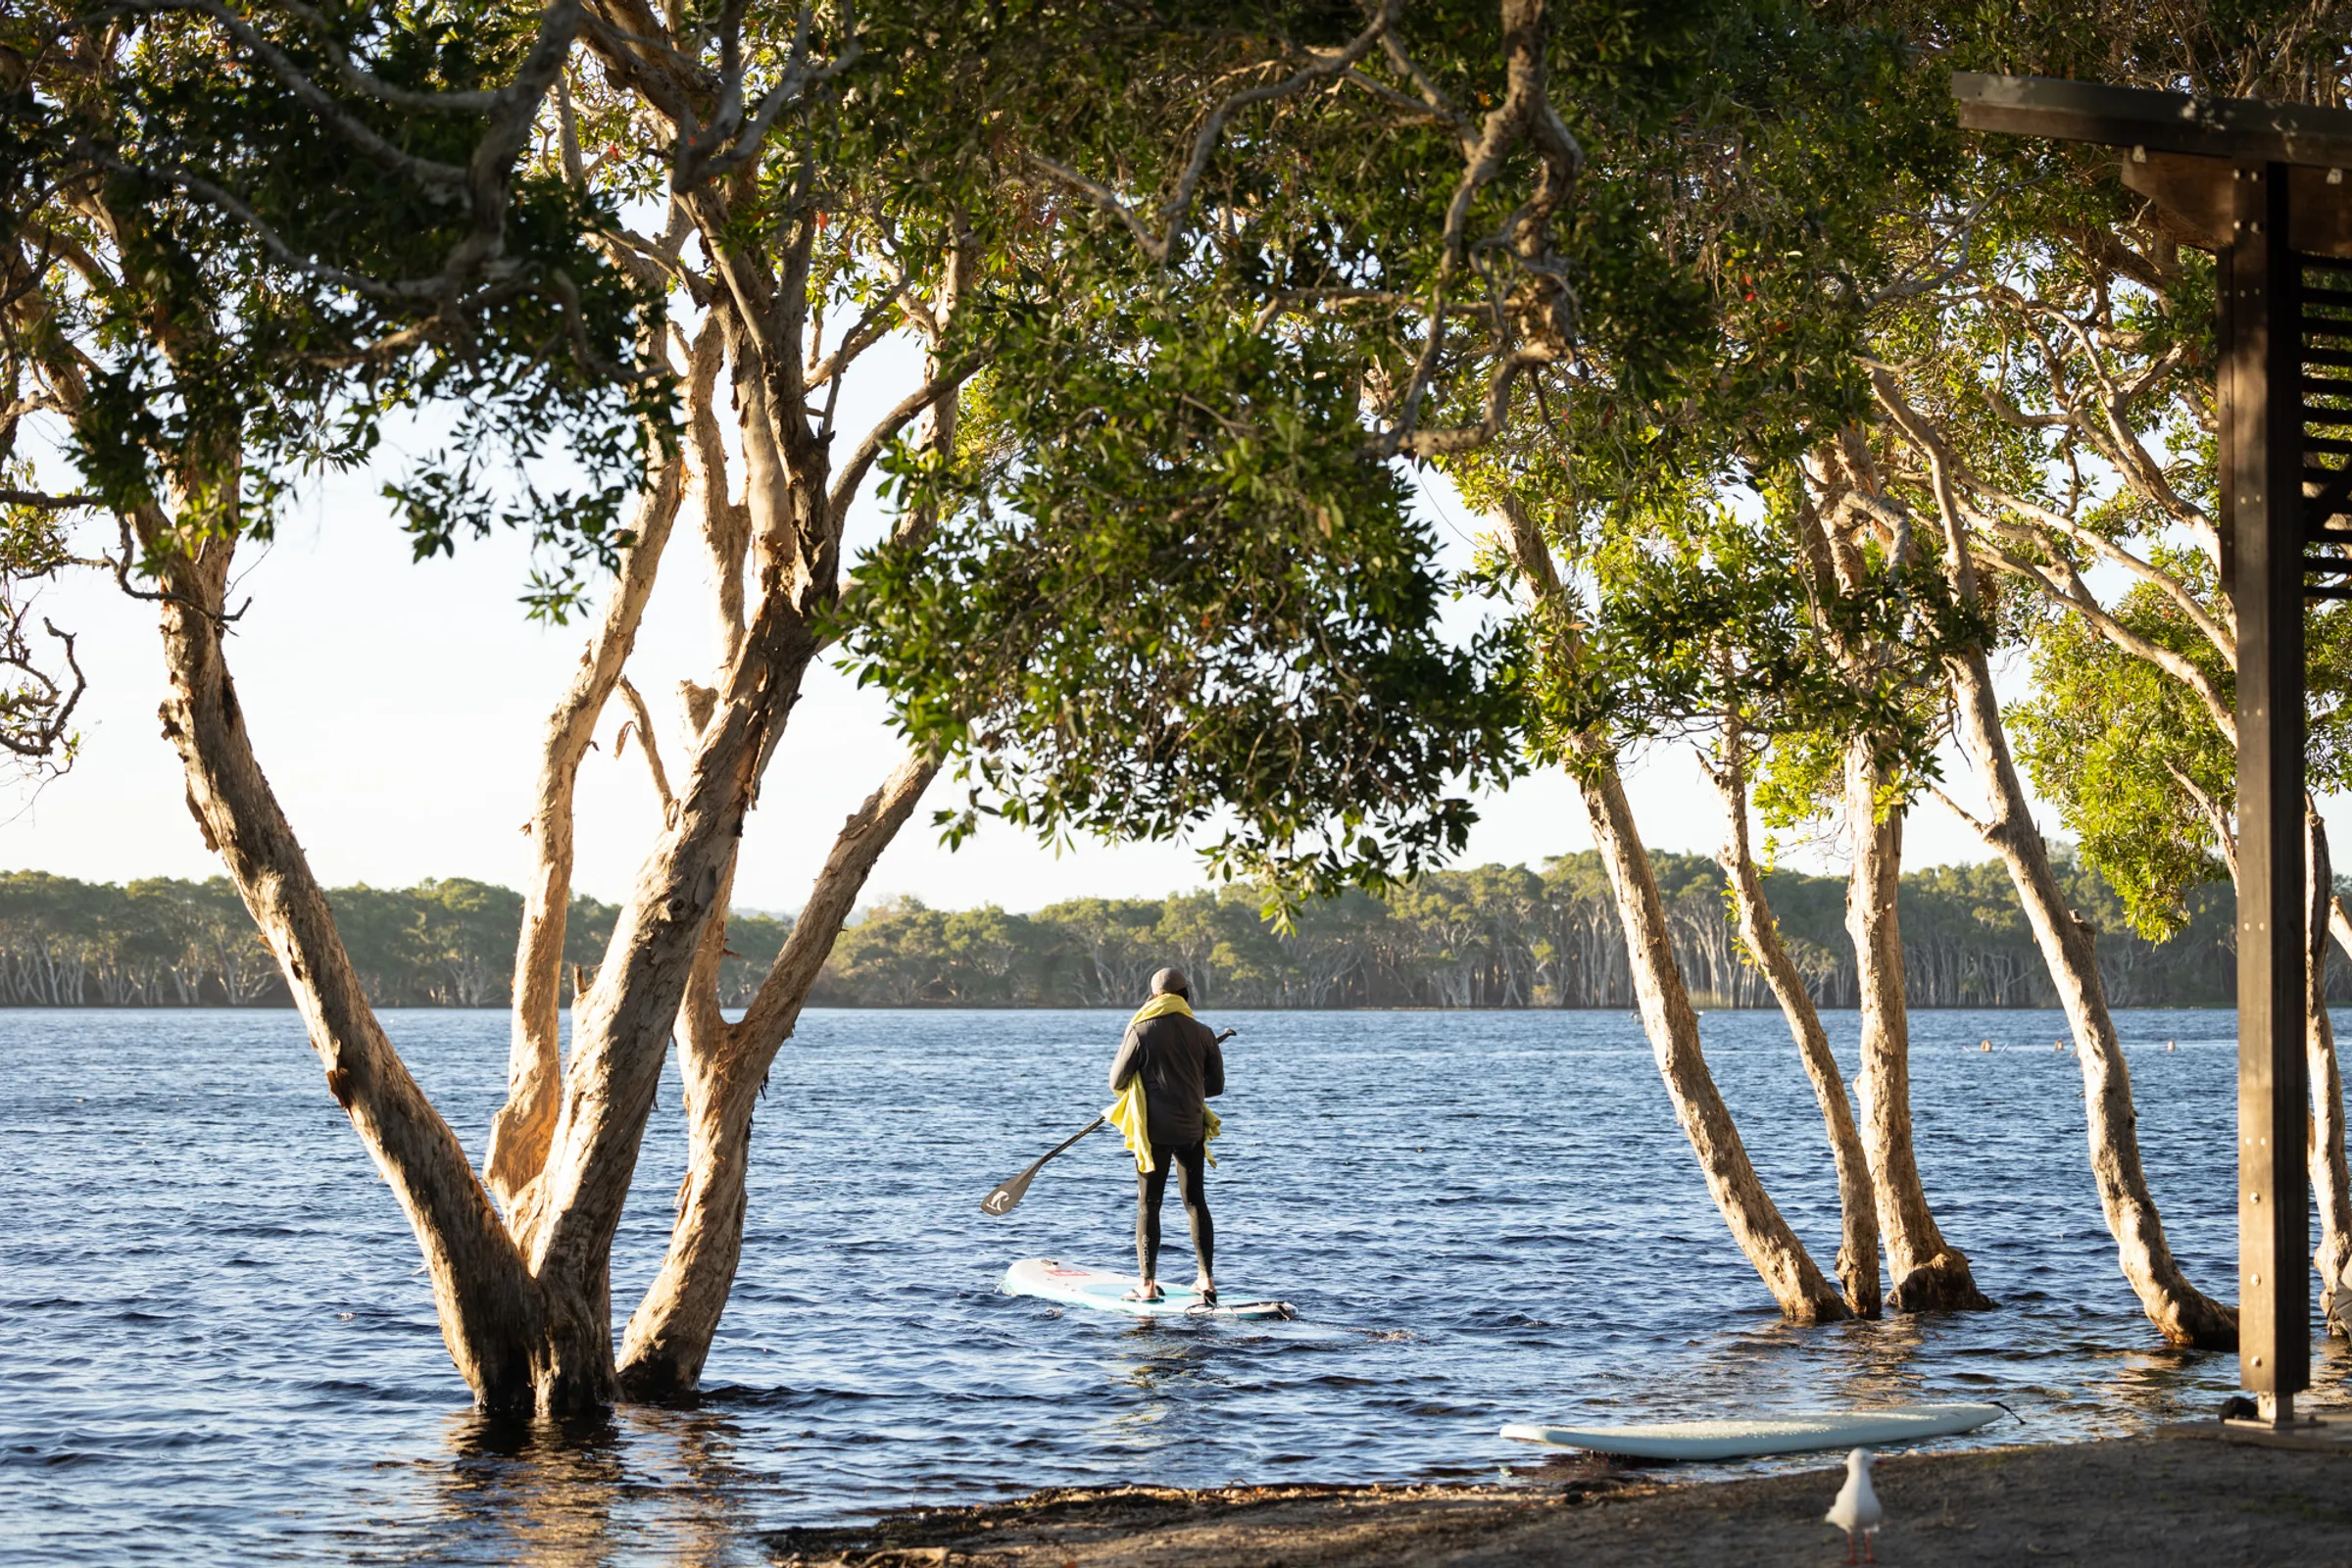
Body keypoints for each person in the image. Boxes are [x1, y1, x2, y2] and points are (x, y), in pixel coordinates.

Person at [1106, 966, 1224, 1303]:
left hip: (1153, 1132)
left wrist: (1147, 1084)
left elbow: (1117, 1082)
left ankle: (1146, 1285)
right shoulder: (1203, 1033)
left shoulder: (1140, 1030)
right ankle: (1206, 1282)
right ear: (1186, 995)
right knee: (1195, 1202)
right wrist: (1187, 1080)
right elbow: (1215, 1087)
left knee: (1149, 1205)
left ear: (1154, 996)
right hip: (1190, 1128)